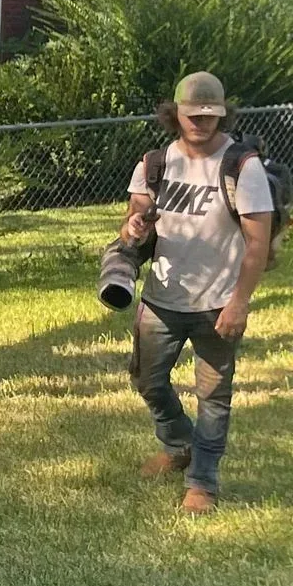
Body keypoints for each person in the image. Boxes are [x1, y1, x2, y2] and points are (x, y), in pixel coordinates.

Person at [118, 72, 275, 514]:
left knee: (214, 396)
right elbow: (133, 221)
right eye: (193, 114)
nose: (201, 122)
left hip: (218, 304)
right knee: (147, 379)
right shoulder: (155, 163)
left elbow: (258, 243)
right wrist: (134, 225)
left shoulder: (243, 167)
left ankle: (202, 481)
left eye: (210, 115)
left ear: (222, 115)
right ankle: (177, 442)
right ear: (176, 113)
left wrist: (239, 302)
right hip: (161, 298)